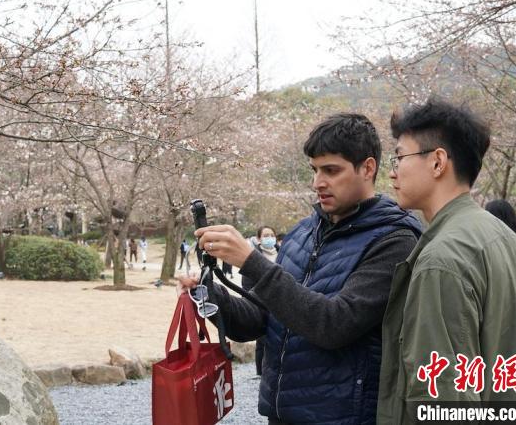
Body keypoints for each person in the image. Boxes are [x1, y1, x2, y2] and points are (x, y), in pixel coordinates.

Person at [181, 113, 422, 424]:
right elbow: (256, 322)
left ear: (368, 168)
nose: (318, 182)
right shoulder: (301, 234)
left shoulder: (394, 239)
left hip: (344, 417)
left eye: (331, 170)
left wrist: (251, 261)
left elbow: (334, 324)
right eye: (315, 170)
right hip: (282, 415)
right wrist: (205, 292)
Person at [379, 98, 516, 424]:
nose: (392, 173)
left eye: (399, 157)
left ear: (438, 162)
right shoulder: (504, 237)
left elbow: (442, 401)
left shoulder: (442, 260)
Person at [243, 225, 279, 377]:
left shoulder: (284, 254)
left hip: (283, 303)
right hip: (261, 303)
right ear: (258, 239)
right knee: (262, 340)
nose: (269, 238)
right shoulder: (254, 256)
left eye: (271, 234)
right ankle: (260, 371)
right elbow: (247, 284)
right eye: (265, 235)